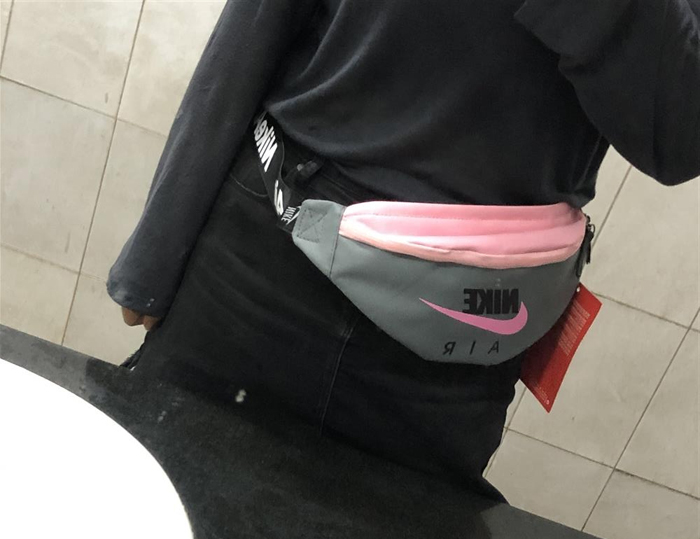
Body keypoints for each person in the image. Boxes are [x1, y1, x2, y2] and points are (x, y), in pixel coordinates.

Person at [109, 0, 700, 503]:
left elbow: (679, 132)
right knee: (152, 534)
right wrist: (157, 252)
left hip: (455, 345)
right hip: (261, 261)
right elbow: (261, 20)